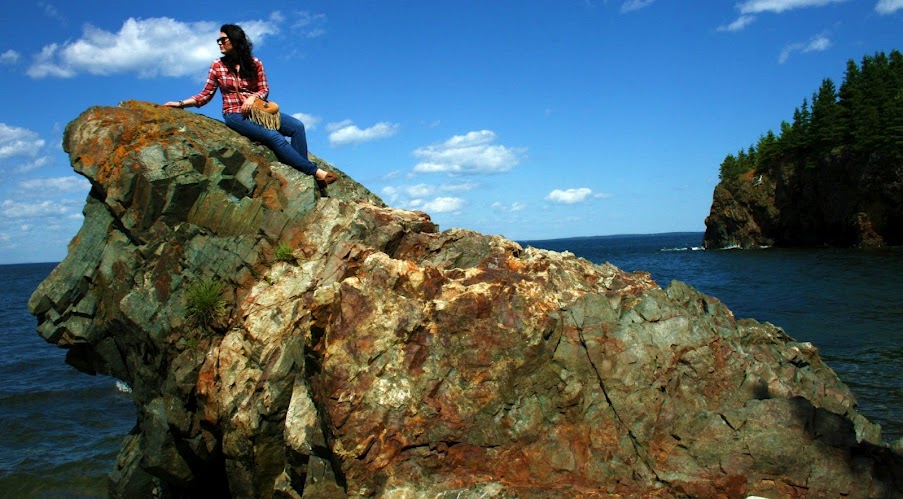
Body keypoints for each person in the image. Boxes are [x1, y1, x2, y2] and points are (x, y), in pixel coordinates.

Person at [164, 24, 337, 185]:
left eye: (223, 39)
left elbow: (264, 89)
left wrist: (253, 98)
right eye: (218, 40)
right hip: (235, 114)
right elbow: (205, 95)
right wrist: (180, 104)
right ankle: (316, 173)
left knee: (297, 126)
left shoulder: (255, 63)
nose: (219, 43)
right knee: (274, 136)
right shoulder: (217, 65)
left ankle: (304, 171)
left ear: (235, 40)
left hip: (258, 111)